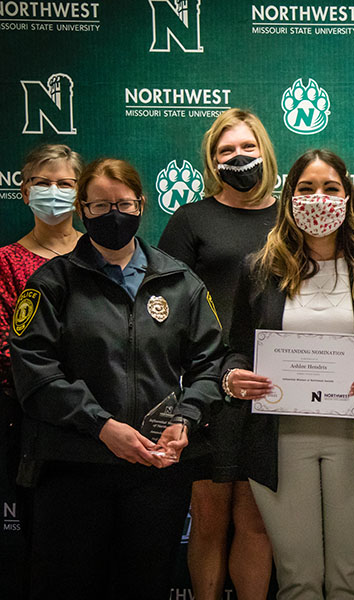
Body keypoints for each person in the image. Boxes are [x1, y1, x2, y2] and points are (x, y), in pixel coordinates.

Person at [9, 157, 225, 599]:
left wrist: (185, 419)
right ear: (82, 208)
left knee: (143, 586)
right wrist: (101, 426)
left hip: (154, 472)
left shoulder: (180, 282)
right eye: (100, 206)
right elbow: (34, 373)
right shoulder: (51, 283)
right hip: (73, 468)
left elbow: (210, 364)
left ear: (142, 206)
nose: (114, 215)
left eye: (124, 205)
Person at [221, 149, 354, 599]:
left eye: (330, 188)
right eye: (306, 189)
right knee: (297, 579)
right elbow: (235, 351)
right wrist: (234, 378)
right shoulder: (260, 269)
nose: (318, 199)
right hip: (281, 439)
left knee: (351, 577)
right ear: (289, 197)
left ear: (347, 197)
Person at [157, 108, 277, 600]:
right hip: (208, 386)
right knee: (208, 518)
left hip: (278, 385)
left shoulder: (292, 214)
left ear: (265, 152)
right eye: (227, 150)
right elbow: (161, 306)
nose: (239, 157)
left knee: (256, 521)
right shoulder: (190, 220)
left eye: (248, 148)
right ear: (211, 159)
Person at [0, 143, 83, 598]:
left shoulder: (103, 256)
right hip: (34, 423)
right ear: (24, 189)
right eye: (43, 182)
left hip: (108, 420)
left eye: (66, 184)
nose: (54, 192)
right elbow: (7, 345)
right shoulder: (7, 262)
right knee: (45, 550)